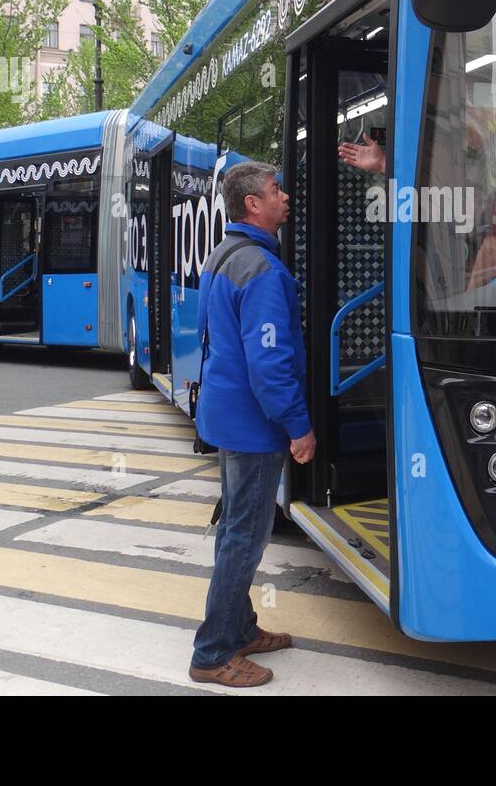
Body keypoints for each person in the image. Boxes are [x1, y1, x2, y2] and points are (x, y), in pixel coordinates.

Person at [188, 161, 315, 688]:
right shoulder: (262, 270)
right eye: (275, 190)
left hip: (225, 415)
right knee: (245, 536)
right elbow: (270, 364)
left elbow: (207, 336)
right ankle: (213, 652)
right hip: (255, 425)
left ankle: (240, 629)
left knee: (234, 529)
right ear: (252, 206)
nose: (284, 197)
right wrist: (298, 425)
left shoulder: (223, 256)